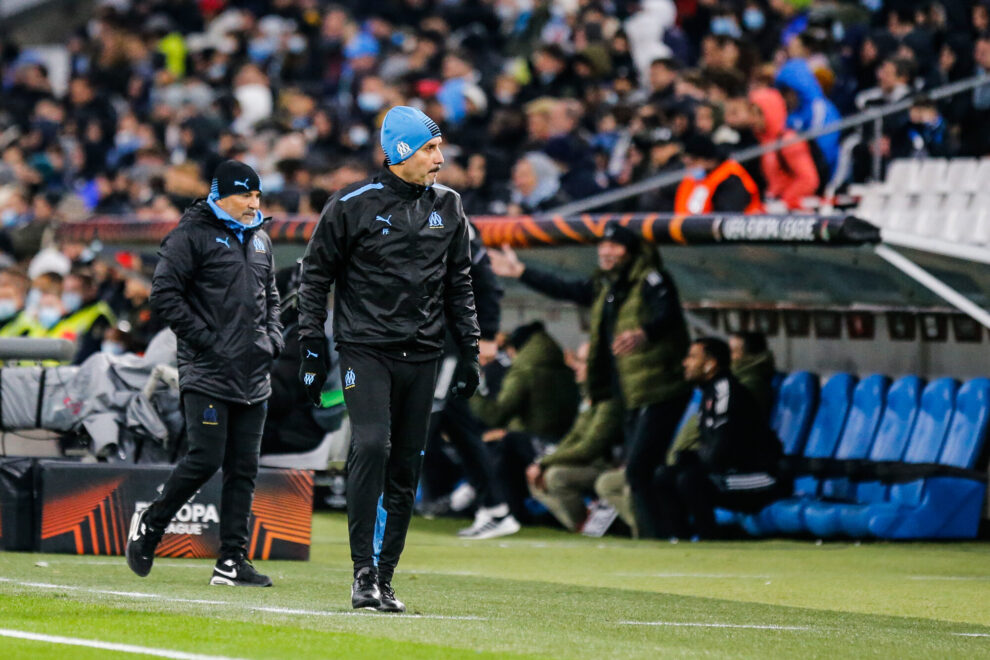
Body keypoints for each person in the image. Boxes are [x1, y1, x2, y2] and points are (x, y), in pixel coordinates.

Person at [295, 106, 480, 613]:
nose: (440, 159)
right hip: (366, 350)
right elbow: (313, 277)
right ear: (401, 152)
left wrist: (470, 353)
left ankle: (384, 577)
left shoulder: (451, 206)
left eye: (439, 148)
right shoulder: (350, 205)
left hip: (423, 353)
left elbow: (459, 283)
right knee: (372, 444)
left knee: (406, 466)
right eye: (430, 149)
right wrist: (311, 344)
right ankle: (361, 571)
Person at [126, 160, 282, 588]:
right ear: (223, 195)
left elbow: (271, 296)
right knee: (205, 458)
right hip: (208, 368)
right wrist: (207, 341)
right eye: (247, 195)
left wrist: (273, 339)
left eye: (257, 195)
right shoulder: (189, 235)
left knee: (244, 468)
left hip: (254, 372)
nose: (255, 203)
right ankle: (151, 524)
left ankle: (231, 562)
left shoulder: (261, 240)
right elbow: (164, 295)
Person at [489, 220, 691, 539]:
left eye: (614, 246)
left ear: (630, 251)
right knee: (636, 472)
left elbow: (670, 315)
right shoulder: (606, 286)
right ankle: (653, 535)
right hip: (626, 391)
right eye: (603, 245)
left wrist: (644, 333)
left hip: (657, 388)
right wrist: (521, 273)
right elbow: (567, 289)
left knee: (639, 471)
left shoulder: (652, 280)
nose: (606, 251)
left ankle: (658, 537)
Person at [653, 337, 785, 539]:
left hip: (760, 476)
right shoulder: (709, 393)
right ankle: (679, 541)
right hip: (728, 472)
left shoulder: (726, 391)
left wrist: (693, 459)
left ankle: (709, 540)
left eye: (692, 357)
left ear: (710, 364)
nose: (685, 362)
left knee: (690, 479)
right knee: (664, 475)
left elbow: (721, 449)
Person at [471, 321, 579, 528]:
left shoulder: (525, 371)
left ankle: (510, 513)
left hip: (535, 442)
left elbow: (496, 415)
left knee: (501, 450)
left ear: (516, 348)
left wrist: (472, 393)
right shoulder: (561, 368)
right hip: (560, 440)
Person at [526, 342, 624, 532]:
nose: (575, 366)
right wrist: (543, 462)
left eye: (581, 361)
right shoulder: (589, 396)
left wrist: (547, 462)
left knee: (555, 476)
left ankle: (586, 524)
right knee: (536, 477)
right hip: (584, 462)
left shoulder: (609, 400)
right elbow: (574, 436)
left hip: (603, 464)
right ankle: (582, 526)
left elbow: (590, 448)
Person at [667, 331, 777, 467]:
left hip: (737, 463)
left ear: (748, 357)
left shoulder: (746, 386)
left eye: (731, 351)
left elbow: (725, 433)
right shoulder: (715, 386)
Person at [673, 135, 763, 215]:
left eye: (693, 163)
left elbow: (728, 215)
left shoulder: (731, 179)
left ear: (709, 160)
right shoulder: (697, 178)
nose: (689, 168)